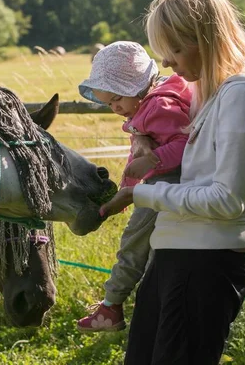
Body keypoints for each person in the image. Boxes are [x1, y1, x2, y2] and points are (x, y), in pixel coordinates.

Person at [99, 0, 245, 364]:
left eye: (175, 48)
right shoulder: (209, 91)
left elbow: (226, 200)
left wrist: (139, 193)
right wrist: (142, 138)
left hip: (206, 261)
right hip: (175, 253)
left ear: (207, 39)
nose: (168, 62)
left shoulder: (243, 97)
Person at [76, 41, 192, 332]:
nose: (115, 108)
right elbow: (134, 160)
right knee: (148, 247)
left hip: (167, 184)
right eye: (109, 104)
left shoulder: (159, 107)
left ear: (136, 87)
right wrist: (125, 191)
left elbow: (185, 144)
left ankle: (112, 304)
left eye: (117, 99)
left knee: (133, 241)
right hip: (159, 184)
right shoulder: (147, 105)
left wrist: (152, 160)